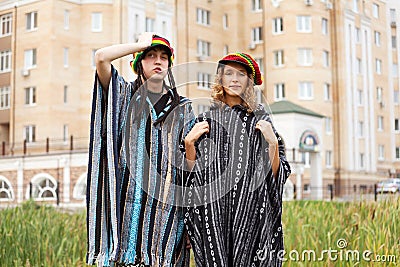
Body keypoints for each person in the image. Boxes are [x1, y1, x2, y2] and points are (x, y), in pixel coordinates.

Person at [86, 32, 192, 267]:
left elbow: (189, 170)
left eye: (164, 57)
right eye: (150, 56)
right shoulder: (123, 94)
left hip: (167, 220)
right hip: (126, 213)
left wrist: (190, 224)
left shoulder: (183, 109)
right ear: (138, 63)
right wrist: (140, 45)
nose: (158, 61)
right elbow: (102, 58)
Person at [183, 53, 291, 266]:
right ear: (220, 79)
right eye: (228, 73)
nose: (234, 79)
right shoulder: (206, 121)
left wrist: (273, 144)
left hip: (252, 216)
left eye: (241, 74)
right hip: (212, 217)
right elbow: (191, 175)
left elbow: (276, 174)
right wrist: (189, 145)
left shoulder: (260, 119)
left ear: (249, 81)